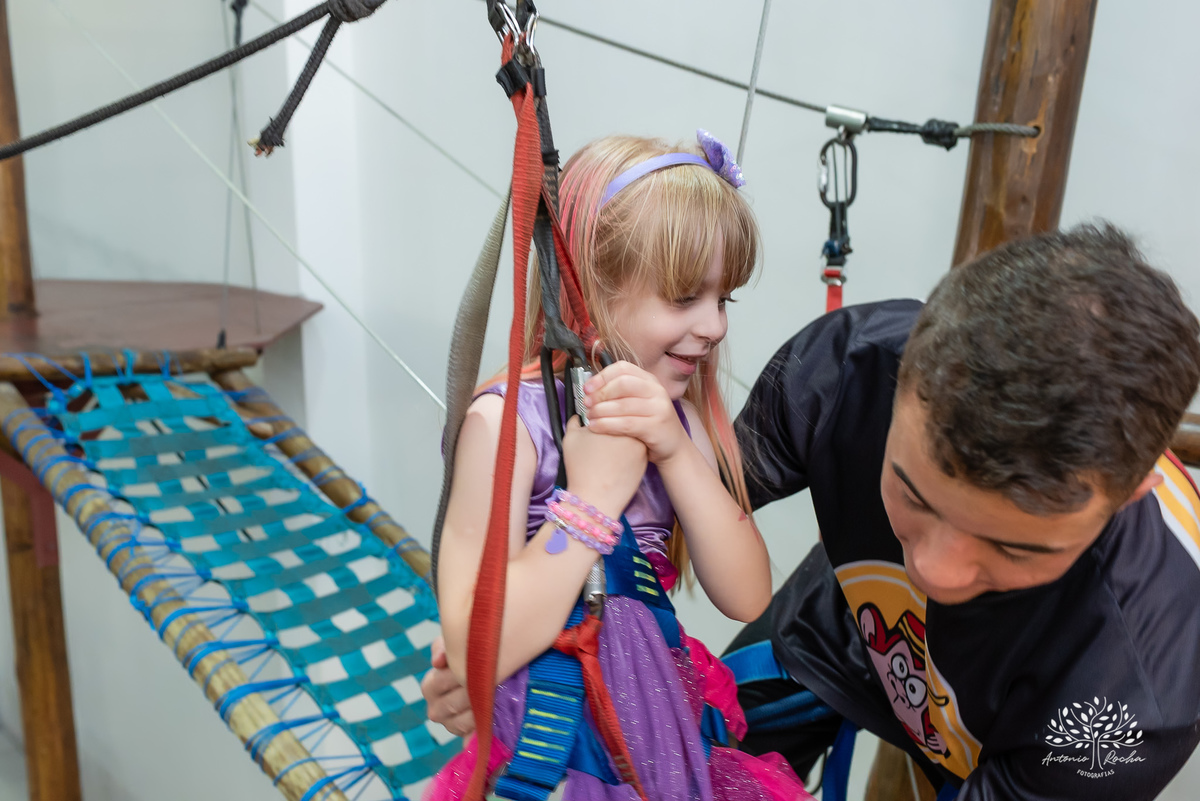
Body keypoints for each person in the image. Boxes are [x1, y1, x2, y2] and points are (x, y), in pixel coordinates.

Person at [425, 224, 1200, 800]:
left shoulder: (1137, 696)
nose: (934, 568)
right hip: (843, 629)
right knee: (683, 757)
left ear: (1127, 492)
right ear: (900, 379)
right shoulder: (845, 369)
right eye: (915, 497)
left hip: (1010, 737)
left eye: (1013, 549)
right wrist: (521, 652)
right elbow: (663, 527)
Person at [427, 132, 809, 801]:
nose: (715, 325)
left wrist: (677, 451)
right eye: (686, 295)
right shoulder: (508, 426)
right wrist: (591, 504)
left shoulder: (673, 418)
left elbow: (748, 595)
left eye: (724, 299)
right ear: (594, 286)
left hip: (663, 755)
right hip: (552, 759)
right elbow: (475, 652)